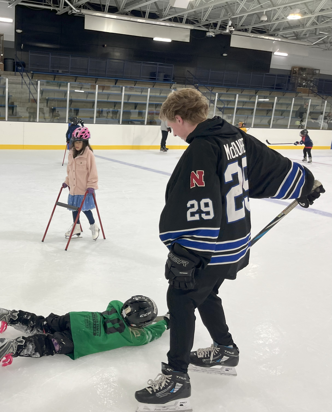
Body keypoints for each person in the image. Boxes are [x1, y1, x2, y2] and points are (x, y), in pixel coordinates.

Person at [134, 88, 325, 411]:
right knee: (206, 292)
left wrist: (186, 255)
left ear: (180, 118)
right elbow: (271, 164)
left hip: (213, 246)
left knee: (181, 299)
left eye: (171, 124)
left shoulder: (202, 148)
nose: (173, 132)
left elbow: (199, 204)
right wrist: (305, 183)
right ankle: (224, 350)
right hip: (236, 241)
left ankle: (176, 379)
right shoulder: (232, 135)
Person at [0, 296, 168, 362]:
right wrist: (166, 322)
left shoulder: (115, 306)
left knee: (43, 324)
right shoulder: (132, 336)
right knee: (47, 344)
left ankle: (9, 315)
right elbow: (150, 334)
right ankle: (10, 347)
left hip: (75, 319)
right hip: (79, 339)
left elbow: (118, 303)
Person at [62, 126, 100, 240]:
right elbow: (70, 171)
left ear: (85, 142)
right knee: (74, 208)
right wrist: (67, 181)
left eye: (79, 142)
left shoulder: (89, 154)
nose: (77, 144)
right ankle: (76, 227)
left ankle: (94, 226)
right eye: (75, 142)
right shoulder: (71, 153)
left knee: (85, 209)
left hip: (85, 189)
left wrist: (92, 185)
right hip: (74, 188)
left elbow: (93, 172)